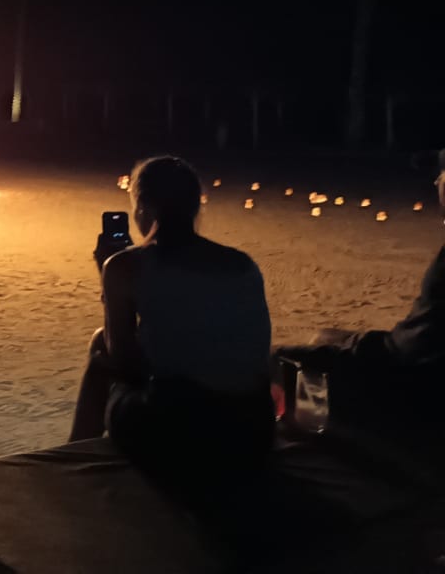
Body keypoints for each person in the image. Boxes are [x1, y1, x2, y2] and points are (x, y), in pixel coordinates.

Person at [69, 155, 275, 481]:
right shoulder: (242, 263)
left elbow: (124, 363)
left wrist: (108, 277)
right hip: (253, 430)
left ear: (142, 208)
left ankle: (72, 459)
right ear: (194, 208)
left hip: (180, 435)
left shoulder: (125, 266)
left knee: (100, 348)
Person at [274, 149, 445, 419]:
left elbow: (411, 351)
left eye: (441, 176)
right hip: (414, 365)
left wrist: (363, 350)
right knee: (329, 336)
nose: (436, 183)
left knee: (277, 359)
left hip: (413, 384)